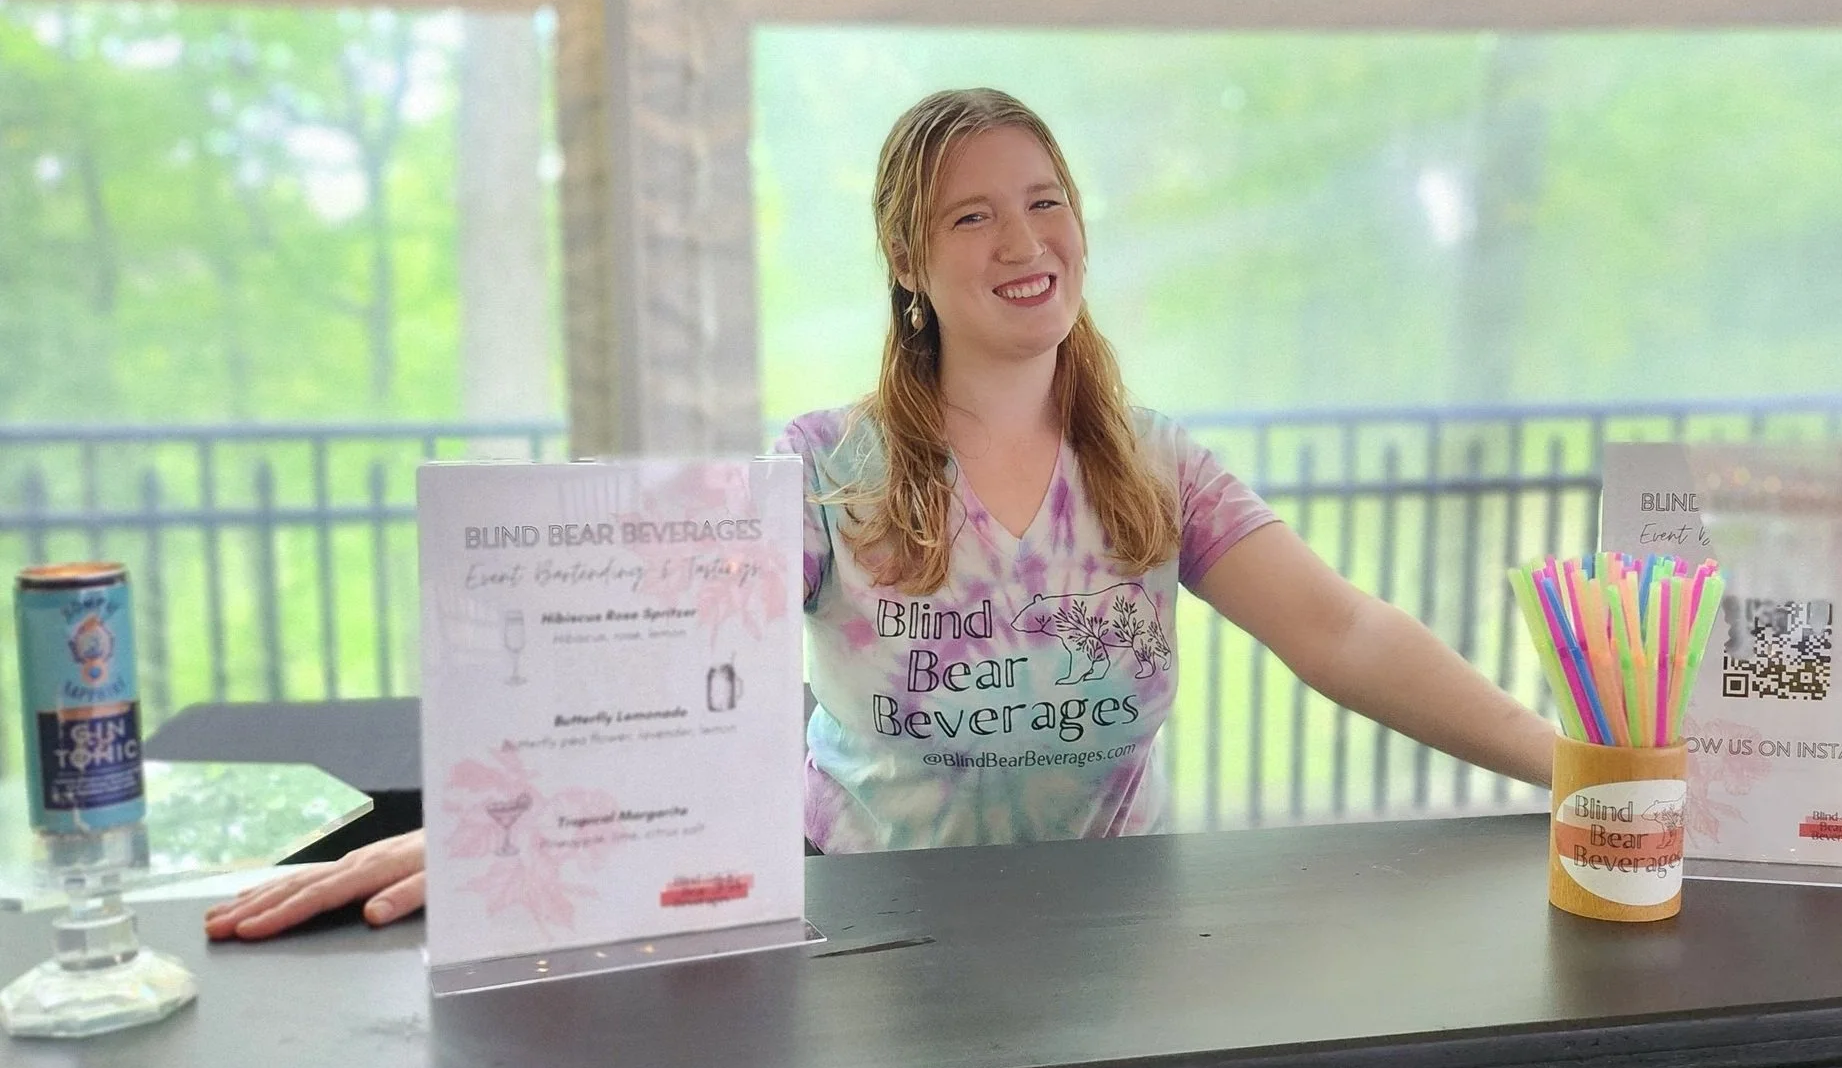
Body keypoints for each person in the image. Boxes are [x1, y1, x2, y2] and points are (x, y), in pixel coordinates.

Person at [207, 89, 1553, 942]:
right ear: (909, 260)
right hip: (866, 936)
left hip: (1113, 938)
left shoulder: (1156, 465)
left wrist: (1575, 765)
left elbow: (1341, 632)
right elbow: (674, 687)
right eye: (971, 216)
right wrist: (510, 820)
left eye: (1045, 203)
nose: (1022, 241)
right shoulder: (826, 467)